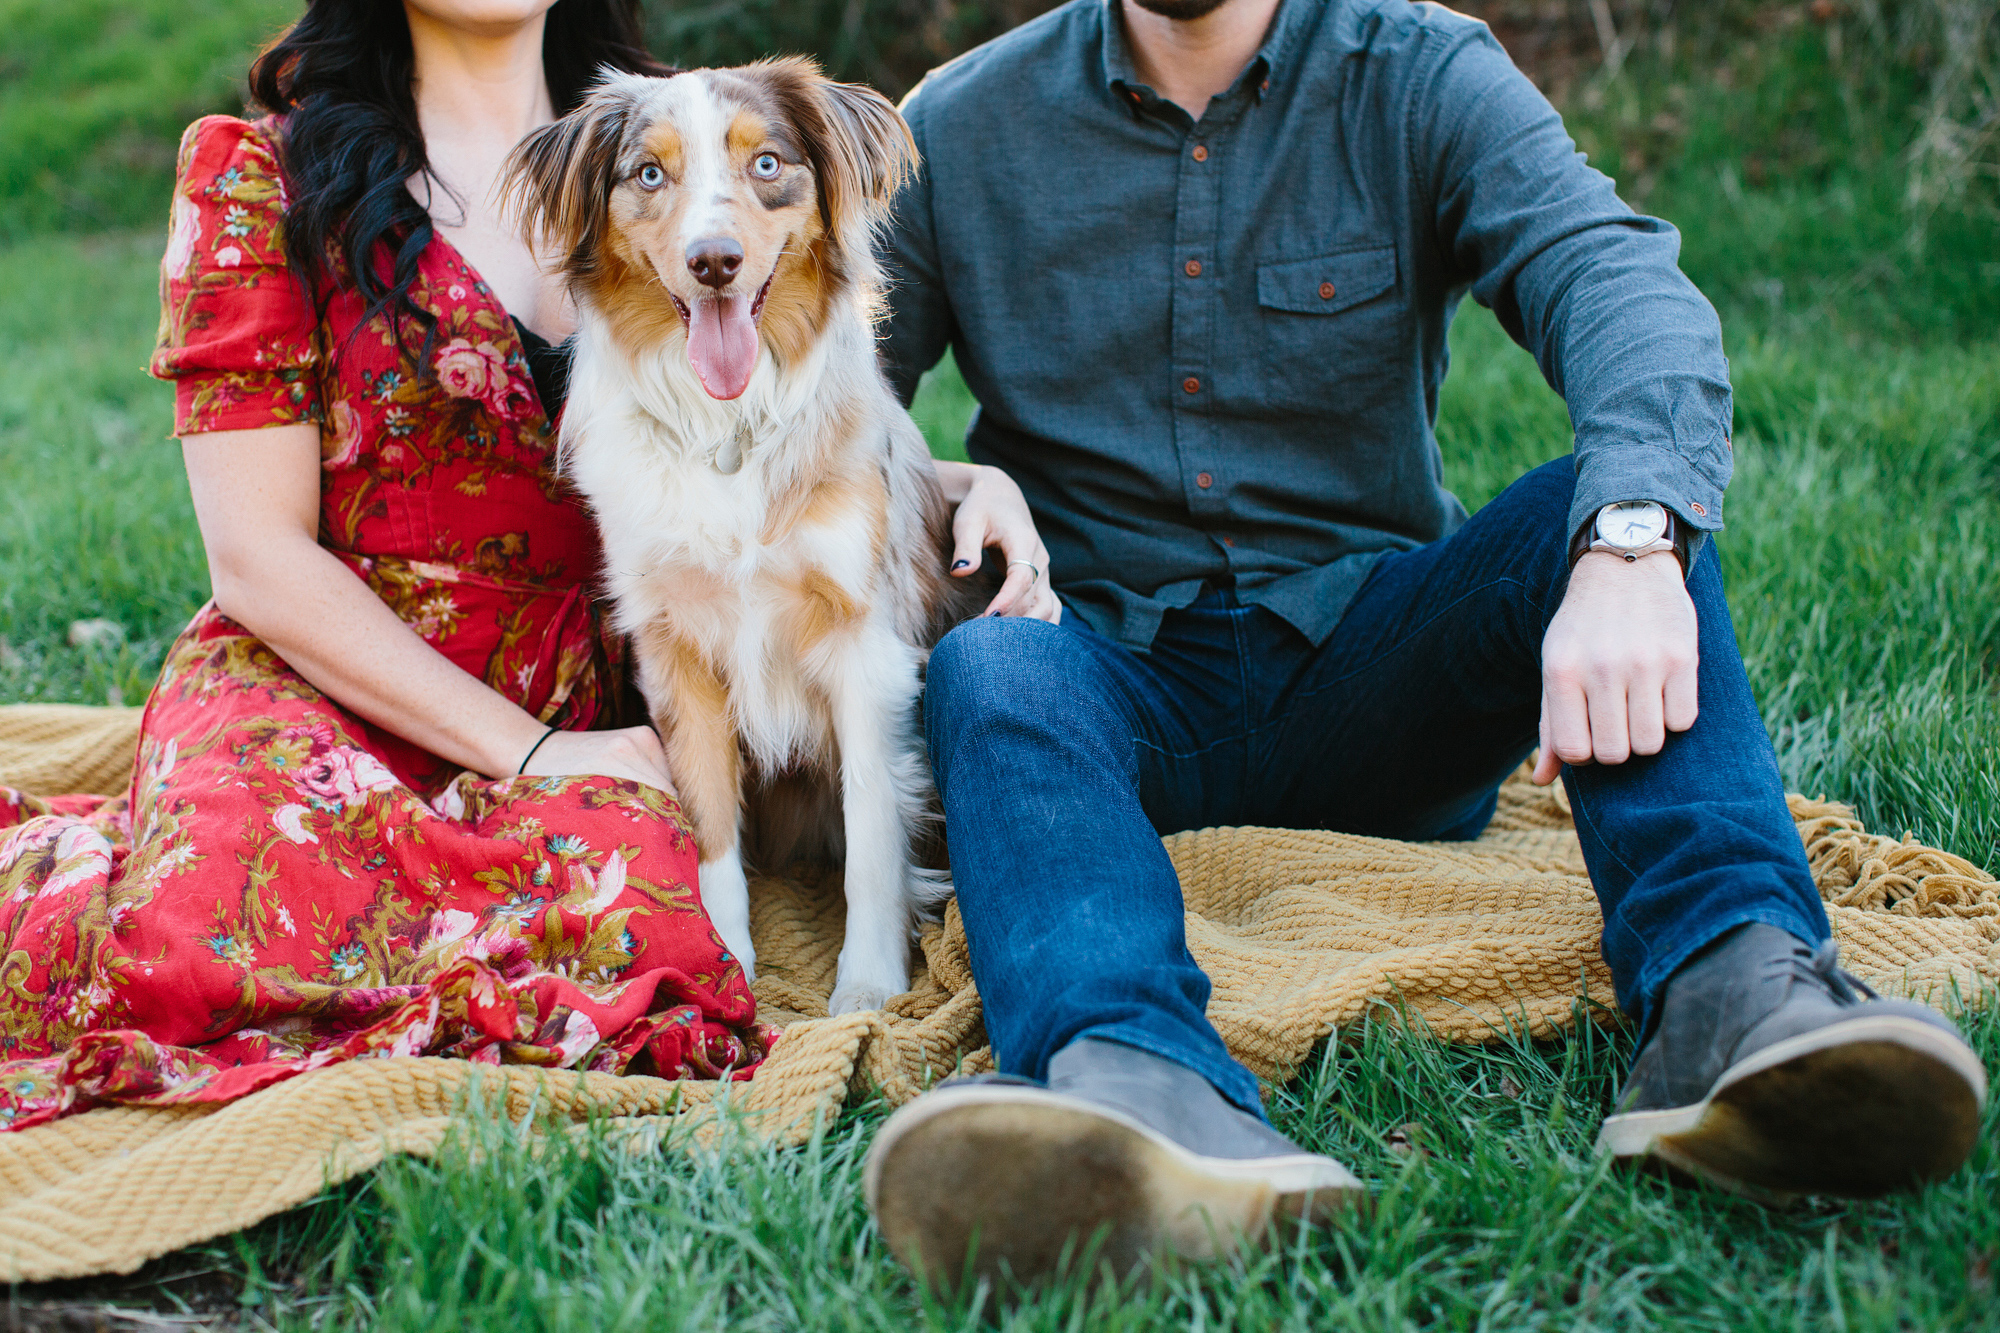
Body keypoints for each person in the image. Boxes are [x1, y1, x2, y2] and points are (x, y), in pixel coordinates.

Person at [860, 0, 1989, 1283]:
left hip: (1376, 677)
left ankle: (1736, 995)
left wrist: (1628, 545)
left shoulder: (1417, 73)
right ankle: (1132, 1079)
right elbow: (816, 412)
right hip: (1104, 685)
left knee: (1594, 514)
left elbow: (1606, 274)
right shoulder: (956, 125)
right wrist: (952, 484)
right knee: (984, 663)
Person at [0, 0, 1058, 1130]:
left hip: (593, 692)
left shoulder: (657, 134)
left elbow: (733, 448)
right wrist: (541, 753)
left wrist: (948, 481)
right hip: (335, 687)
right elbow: (256, 557)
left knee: (640, 935)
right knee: (211, 941)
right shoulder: (264, 174)